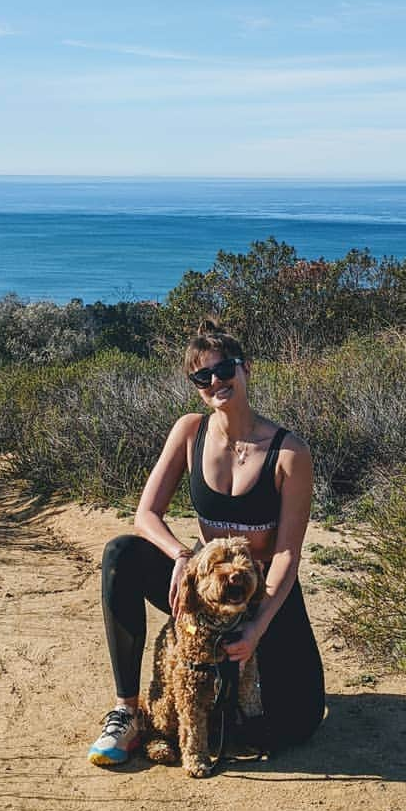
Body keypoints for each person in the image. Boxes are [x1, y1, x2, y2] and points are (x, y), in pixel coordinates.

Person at [88, 319, 325, 765]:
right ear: (195, 385)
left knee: (298, 725)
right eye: (203, 376)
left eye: (224, 369)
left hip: (261, 589)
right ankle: (128, 712)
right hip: (202, 585)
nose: (216, 381)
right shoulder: (190, 431)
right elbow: (146, 514)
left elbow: (288, 552)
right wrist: (181, 557)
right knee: (120, 554)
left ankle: (232, 694)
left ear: (247, 368)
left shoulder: (290, 452)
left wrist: (257, 627)